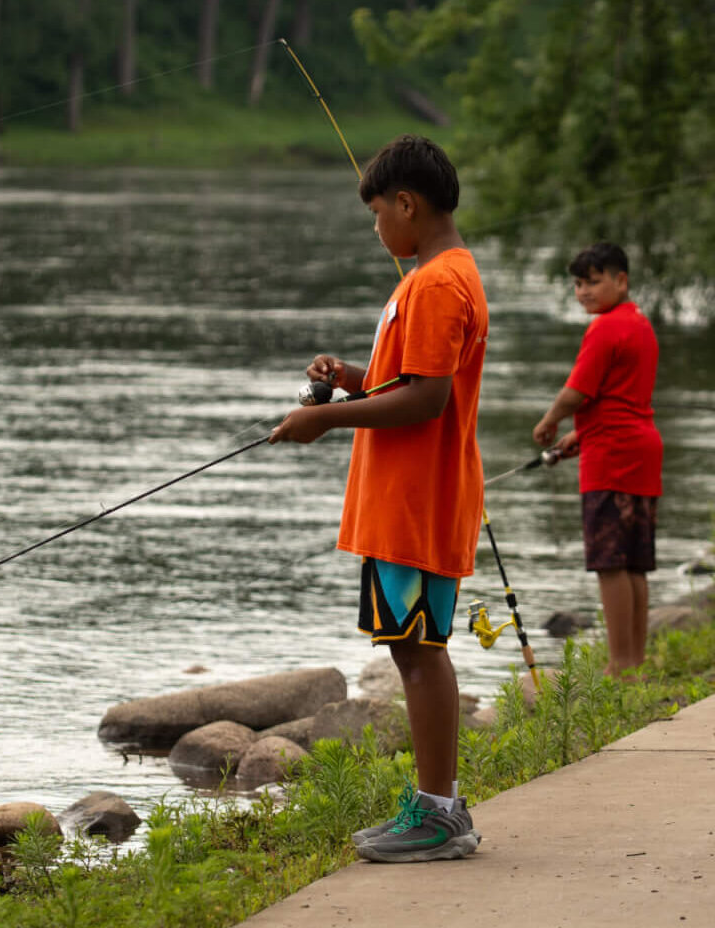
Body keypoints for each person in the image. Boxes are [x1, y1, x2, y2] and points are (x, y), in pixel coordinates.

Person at [269, 135, 487, 863]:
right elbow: (407, 381)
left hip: (415, 504)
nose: (375, 229)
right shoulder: (438, 277)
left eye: (376, 214)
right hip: (407, 503)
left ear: (406, 203)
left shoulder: (435, 284)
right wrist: (353, 378)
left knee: (420, 652)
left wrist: (322, 418)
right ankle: (438, 806)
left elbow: (426, 401)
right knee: (411, 648)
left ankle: (439, 815)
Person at [531, 242, 662, 677]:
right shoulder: (640, 322)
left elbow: (577, 392)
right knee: (634, 563)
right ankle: (635, 659)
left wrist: (550, 421)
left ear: (621, 280)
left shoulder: (604, 328)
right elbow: (617, 397)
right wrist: (580, 434)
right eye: (578, 283)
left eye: (594, 281)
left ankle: (619, 665)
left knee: (610, 564)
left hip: (612, 459)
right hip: (638, 450)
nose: (584, 291)